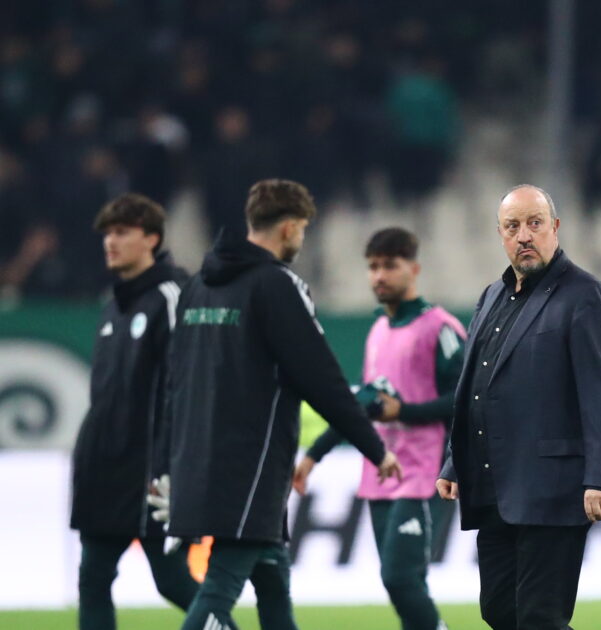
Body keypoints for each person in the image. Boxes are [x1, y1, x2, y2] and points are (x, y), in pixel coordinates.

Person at [166, 179, 400, 630]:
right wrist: (375, 448)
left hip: (195, 461)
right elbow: (323, 381)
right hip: (250, 468)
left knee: (272, 583)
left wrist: (167, 459)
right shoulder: (277, 285)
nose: (301, 238)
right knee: (219, 590)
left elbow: (175, 382)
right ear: (291, 227)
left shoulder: (197, 287)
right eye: (303, 229)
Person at [435, 185, 601, 630]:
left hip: (555, 487)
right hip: (496, 486)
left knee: (539, 617)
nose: (524, 235)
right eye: (512, 226)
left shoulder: (587, 295)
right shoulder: (490, 296)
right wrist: (455, 461)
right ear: (500, 234)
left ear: (555, 227)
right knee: (499, 612)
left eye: (535, 223)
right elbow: (475, 388)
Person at [294, 227, 465, 630]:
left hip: (425, 472)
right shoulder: (378, 331)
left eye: (389, 265)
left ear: (414, 268)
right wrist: (314, 455)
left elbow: (464, 400)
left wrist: (404, 410)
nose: (379, 275)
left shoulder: (440, 328)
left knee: (400, 578)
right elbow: (361, 409)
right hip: (381, 472)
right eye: (373, 267)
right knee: (402, 584)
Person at [70, 194, 196, 630]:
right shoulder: (113, 307)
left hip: (150, 472)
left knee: (172, 581)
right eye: (107, 233)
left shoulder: (171, 297)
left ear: (151, 239)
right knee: (92, 578)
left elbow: (185, 388)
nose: (111, 242)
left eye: (122, 232)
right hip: (105, 471)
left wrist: (172, 465)